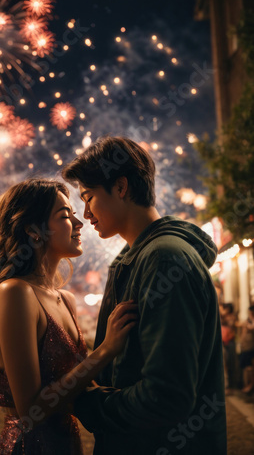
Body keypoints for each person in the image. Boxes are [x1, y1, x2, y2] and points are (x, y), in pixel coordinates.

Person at [62, 136, 227, 455]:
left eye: (89, 197)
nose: (85, 213)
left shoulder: (164, 259)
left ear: (121, 187)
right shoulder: (141, 257)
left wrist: (88, 403)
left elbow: (167, 396)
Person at [0, 178, 137, 455]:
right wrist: (105, 350)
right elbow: (31, 409)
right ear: (34, 231)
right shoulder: (15, 292)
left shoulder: (67, 299)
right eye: (65, 216)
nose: (80, 223)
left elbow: (79, 382)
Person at [220, 303, 237, 394]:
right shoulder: (222, 317)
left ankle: (231, 387)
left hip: (229, 342)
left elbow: (230, 324)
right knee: (225, 365)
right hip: (223, 342)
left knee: (230, 364)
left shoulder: (231, 317)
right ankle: (227, 386)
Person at [238, 305, 254, 394]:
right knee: (246, 366)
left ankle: (250, 386)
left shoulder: (250, 321)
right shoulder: (248, 320)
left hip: (250, 347)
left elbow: (251, 327)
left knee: (249, 367)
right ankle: (248, 385)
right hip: (246, 346)